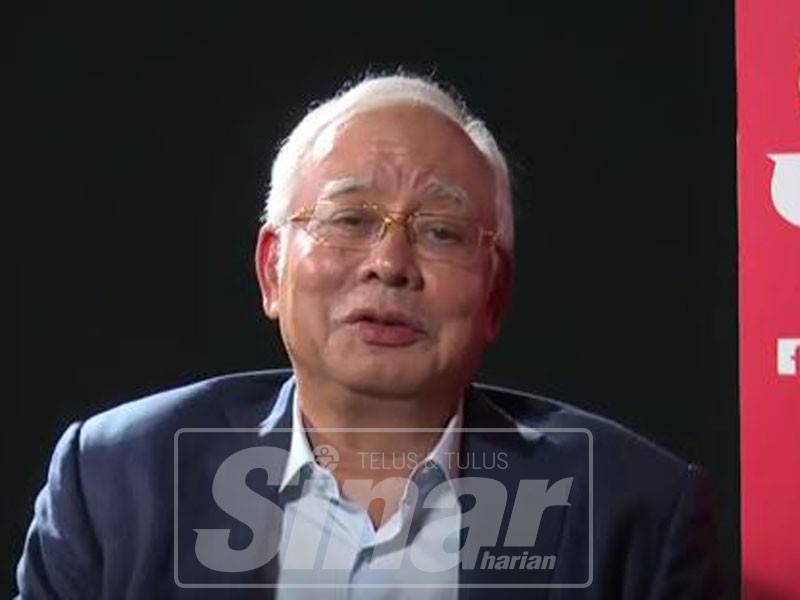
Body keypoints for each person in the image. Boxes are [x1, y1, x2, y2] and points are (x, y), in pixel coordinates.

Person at [15, 74, 722, 599]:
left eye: (441, 232)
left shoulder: (631, 512)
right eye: (349, 220)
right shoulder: (116, 482)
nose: (390, 263)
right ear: (271, 271)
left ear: (495, 295)